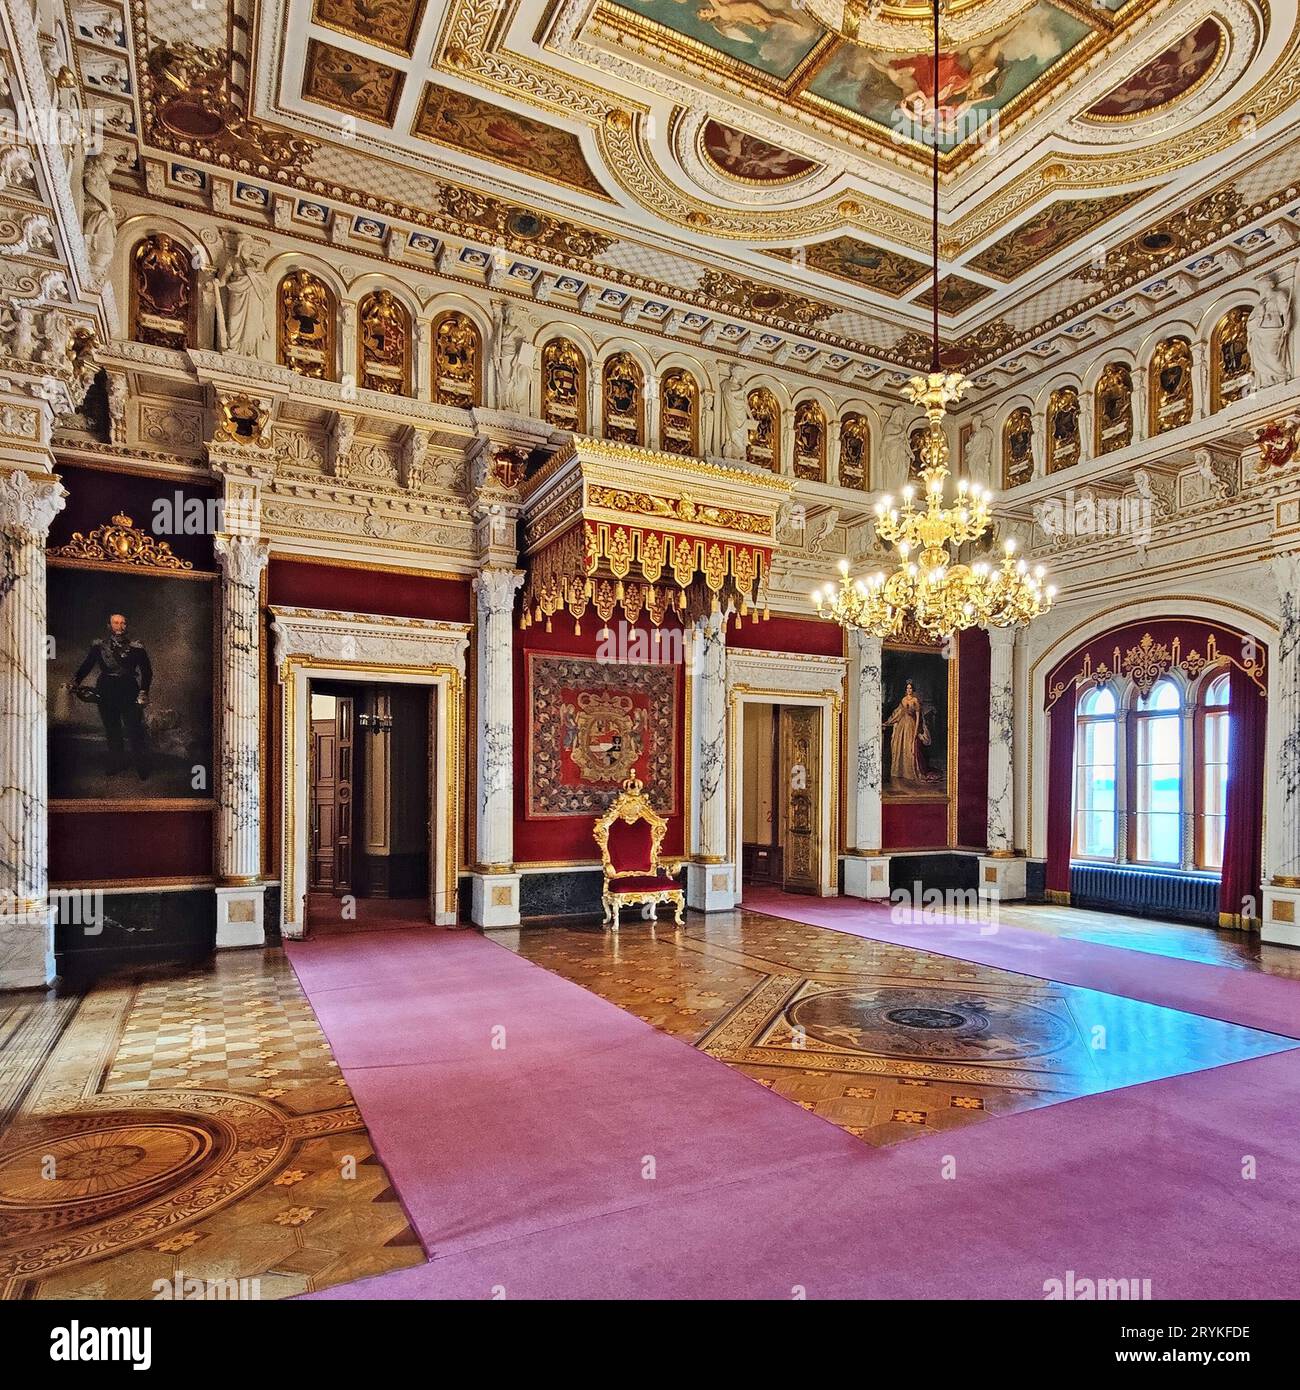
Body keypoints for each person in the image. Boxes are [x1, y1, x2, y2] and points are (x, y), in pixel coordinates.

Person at [72, 613, 153, 778]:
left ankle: (141, 766)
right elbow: (87, 665)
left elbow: (147, 672)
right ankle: (117, 763)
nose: (120, 626)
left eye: (123, 623)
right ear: (109, 626)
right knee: (112, 729)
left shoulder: (137, 648)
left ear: (126, 626)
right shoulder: (99, 647)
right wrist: (76, 681)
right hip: (106, 690)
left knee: (134, 729)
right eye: (116, 623)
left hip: (129, 690)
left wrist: (143, 691)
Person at [883, 680, 941, 789]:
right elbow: (899, 713)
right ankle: (901, 771)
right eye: (907, 688)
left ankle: (910, 772)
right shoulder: (903, 700)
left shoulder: (915, 700)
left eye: (910, 688)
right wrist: (889, 722)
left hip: (911, 725)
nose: (909, 690)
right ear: (905, 690)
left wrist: (915, 732)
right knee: (901, 746)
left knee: (910, 748)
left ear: (912, 689)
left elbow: (918, 717)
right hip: (902, 726)